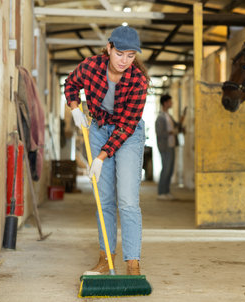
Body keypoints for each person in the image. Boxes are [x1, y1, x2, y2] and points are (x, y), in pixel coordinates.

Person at [64, 25, 149, 275]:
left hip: (128, 134)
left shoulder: (138, 81)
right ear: (109, 48)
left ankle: (132, 263)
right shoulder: (91, 66)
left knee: (128, 200)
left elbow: (125, 126)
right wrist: (75, 106)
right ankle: (106, 259)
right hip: (99, 128)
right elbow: (70, 84)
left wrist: (101, 156)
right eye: (120, 53)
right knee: (104, 201)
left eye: (131, 56)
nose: (124, 61)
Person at [155, 94, 186, 200]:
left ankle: (166, 191)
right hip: (165, 147)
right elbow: (160, 133)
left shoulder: (169, 116)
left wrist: (182, 120)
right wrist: (172, 132)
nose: (171, 103)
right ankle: (161, 192)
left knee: (170, 169)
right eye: (170, 101)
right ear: (165, 103)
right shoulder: (160, 117)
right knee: (166, 169)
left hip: (171, 145)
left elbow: (177, 125)